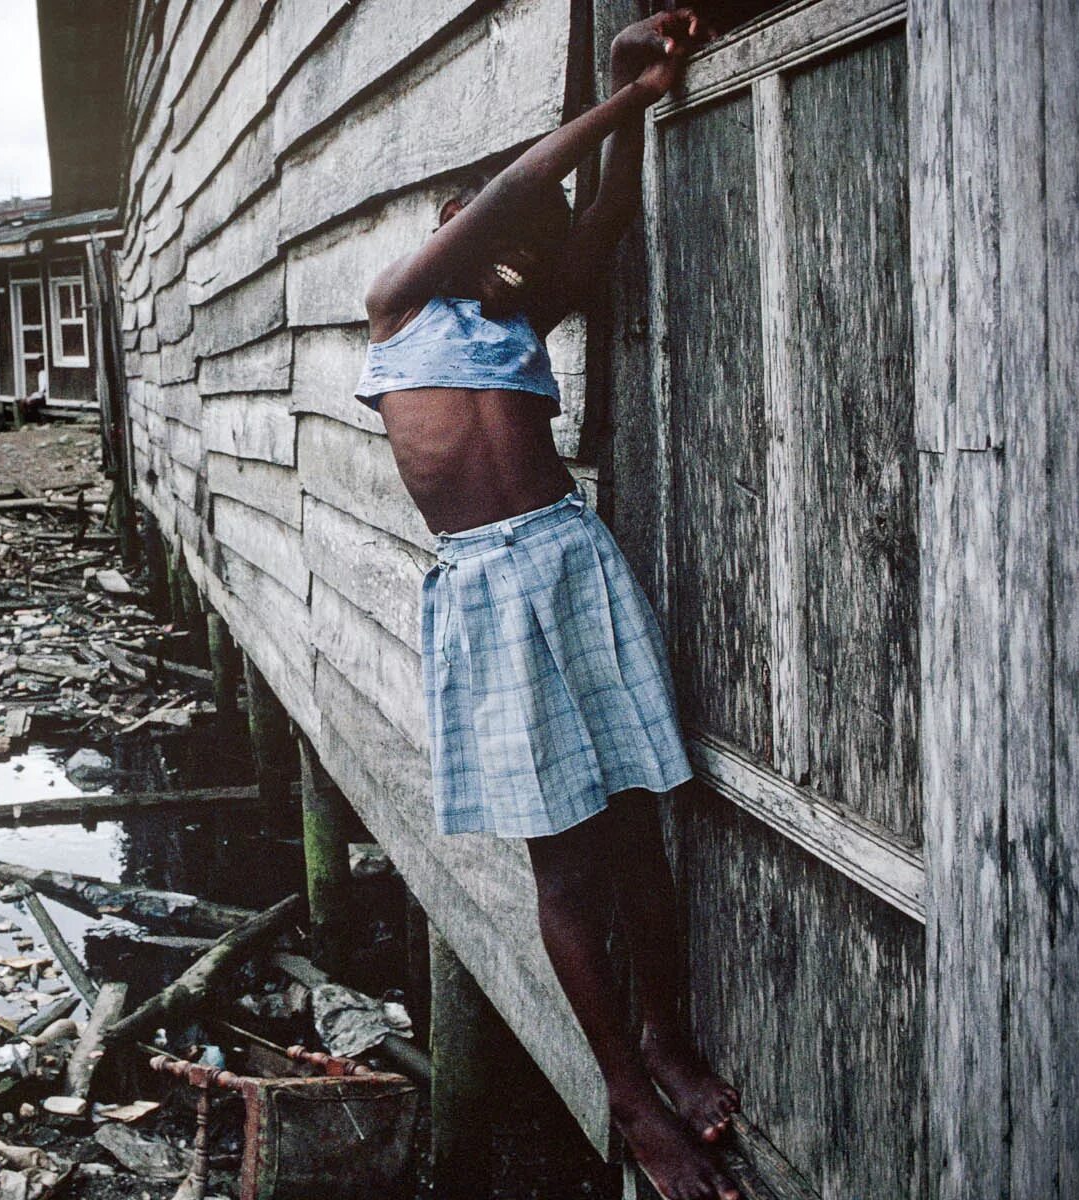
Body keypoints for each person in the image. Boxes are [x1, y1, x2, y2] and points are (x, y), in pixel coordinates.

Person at [358, 11, 738, 1200]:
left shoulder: (519, 321)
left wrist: (635, 114)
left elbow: (602, 219)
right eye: (484, 228)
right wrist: (627, 90)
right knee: (564, 865)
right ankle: (628, 1095)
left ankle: (668, 1042)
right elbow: (528, 179)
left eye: (515, 243)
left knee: (636, 823)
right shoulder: (398, 308)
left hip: (570, 559)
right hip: (483, 591)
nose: (497, 249)